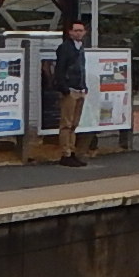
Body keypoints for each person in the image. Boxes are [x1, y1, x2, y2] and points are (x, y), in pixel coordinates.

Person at [53, 19, 89, 168]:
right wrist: (64, 88)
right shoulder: (65, 48)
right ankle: (65, 153)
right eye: (76, 30)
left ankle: (72, 151)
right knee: (66, 124)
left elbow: (82, 69)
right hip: (70, 89)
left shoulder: (81, 48)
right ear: (70, 32)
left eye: (81, 30)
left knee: (74, 124)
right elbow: (60, 69)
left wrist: (84, 86)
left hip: (80, 89)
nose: (79, 33)